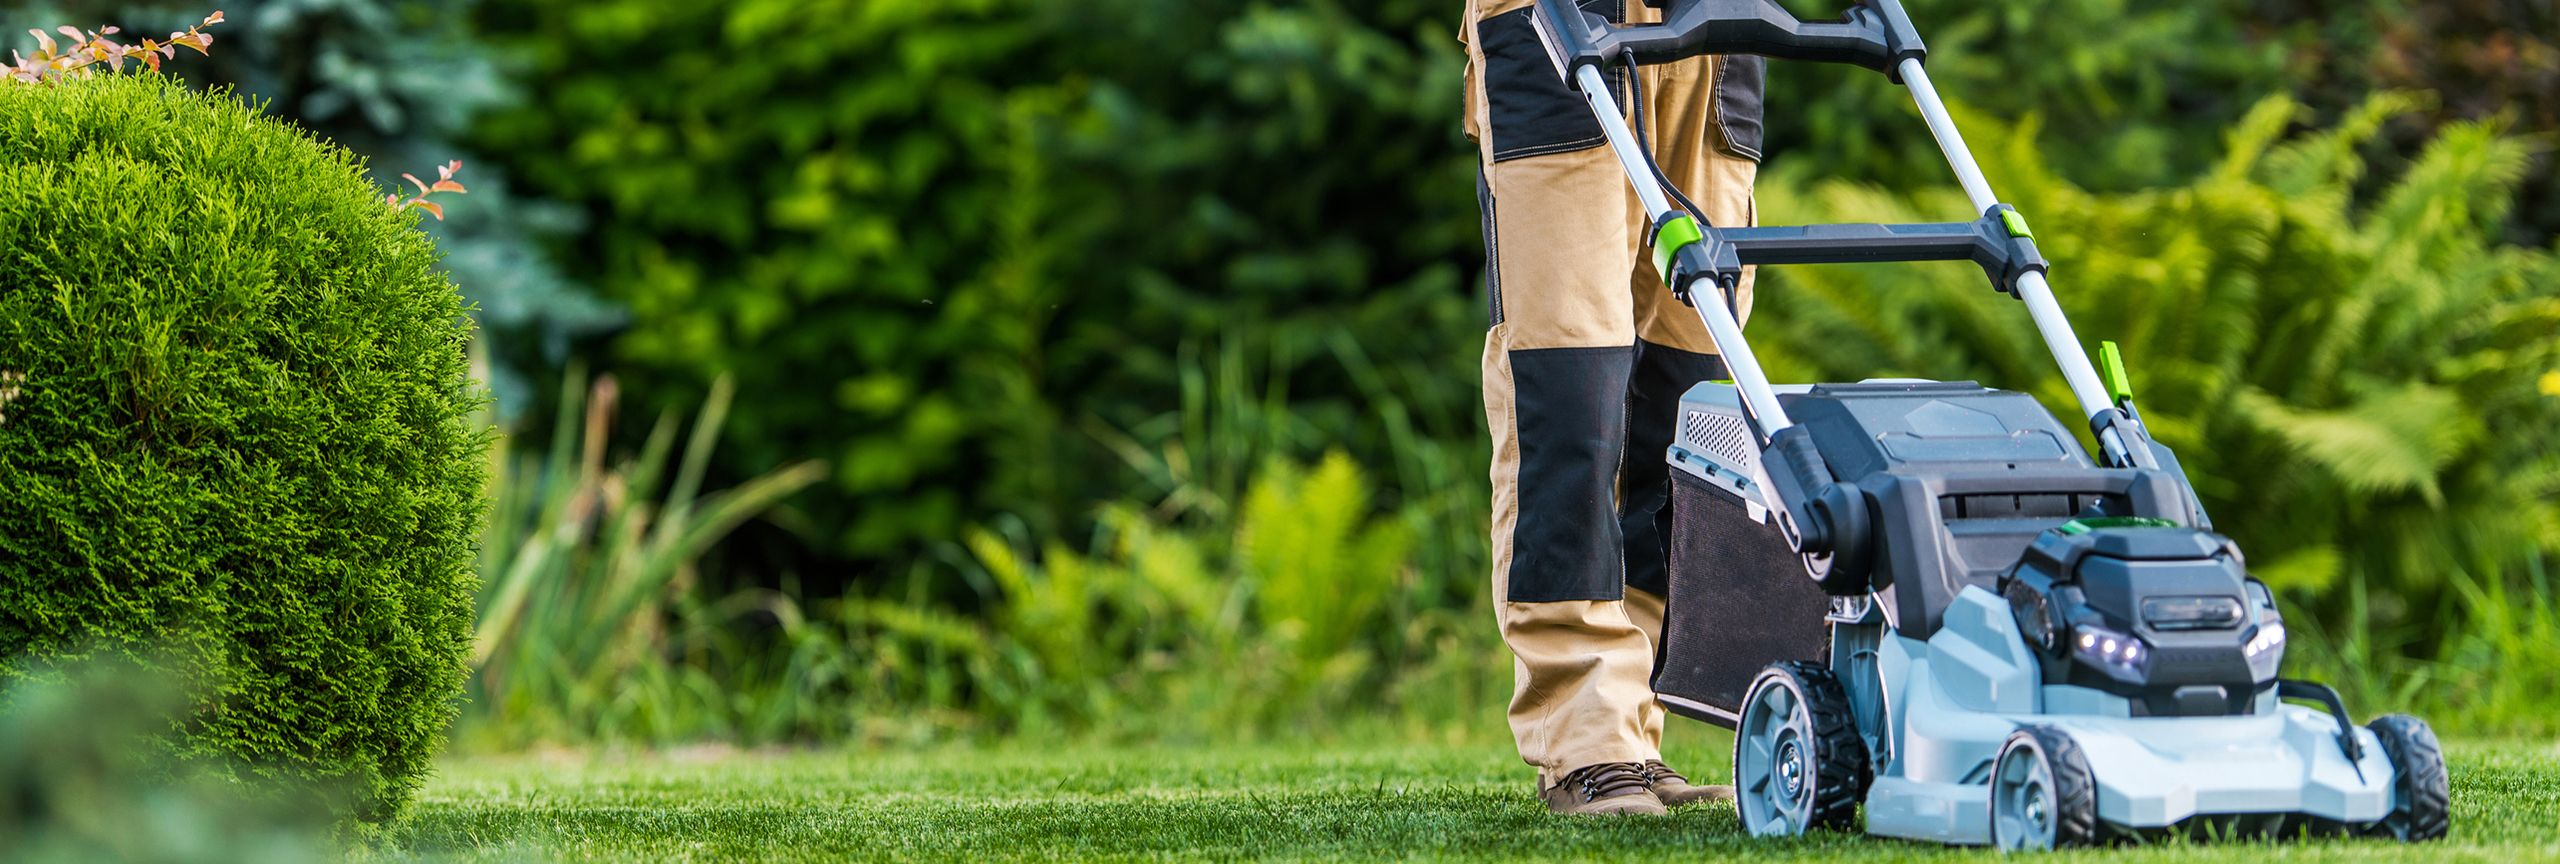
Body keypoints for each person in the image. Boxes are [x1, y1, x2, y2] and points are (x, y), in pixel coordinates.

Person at [1459, 0, 1763, 816]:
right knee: (1571, 386)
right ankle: (1585, 737)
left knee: (1686, 396)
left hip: (1717, 32)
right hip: (1558, 21)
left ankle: (1630, 732)